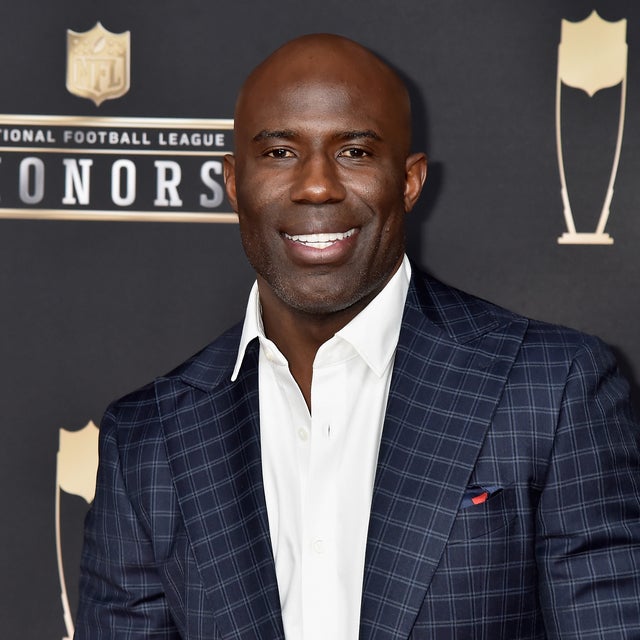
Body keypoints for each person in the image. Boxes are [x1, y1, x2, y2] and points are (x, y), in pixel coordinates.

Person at [75, 34, 640, 639]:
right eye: (281, 153)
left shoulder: (554, 389)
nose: (317, 186)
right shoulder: (149, 437)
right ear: (234, 183)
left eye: (354, 153)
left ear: (410, 180)